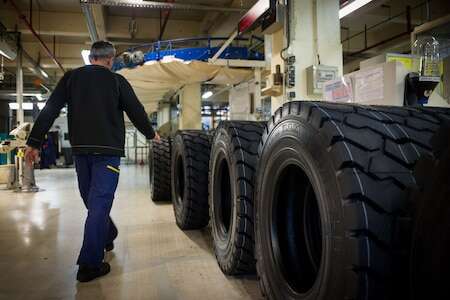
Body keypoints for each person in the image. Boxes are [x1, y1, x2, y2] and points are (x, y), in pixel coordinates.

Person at [24, 41, 160, 282]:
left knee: (92, 200)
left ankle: (90, 260)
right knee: (96, 203)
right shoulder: (117, 81)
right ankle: (101, 245)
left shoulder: (71, 78)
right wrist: (151, 134)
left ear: (91, 58)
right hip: (106, 152)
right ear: (110, 60)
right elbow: (136, 110)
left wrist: (34, 141)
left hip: (81, 151)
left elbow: (51, 108)